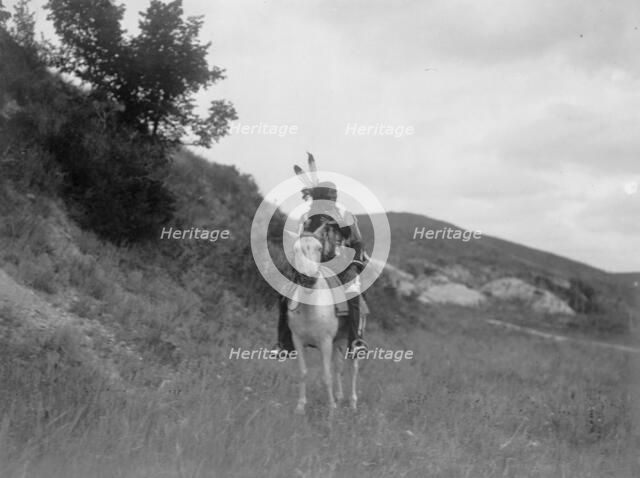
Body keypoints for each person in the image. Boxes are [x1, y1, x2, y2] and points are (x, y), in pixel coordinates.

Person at [274, 181, 369, 355]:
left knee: (353, 294)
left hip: (340, 264)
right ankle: (284, 343)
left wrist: (355, 263)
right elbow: (299, 242)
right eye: (324, 201)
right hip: (311, 264)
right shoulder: (306, 219)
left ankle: (355, 341)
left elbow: (357, 241)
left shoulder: (345, 217)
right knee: (284, 293)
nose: (328, 204)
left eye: (331, 200)